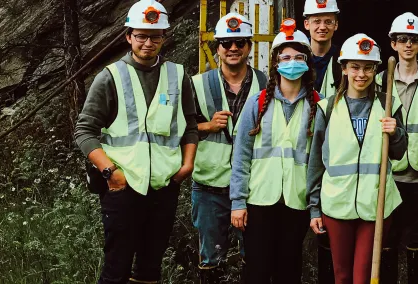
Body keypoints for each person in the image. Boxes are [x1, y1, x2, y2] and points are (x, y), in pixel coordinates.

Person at [73, 1, 198, 283]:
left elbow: (189, 124)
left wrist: (186, 165)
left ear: (165, 37)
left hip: (165, 187)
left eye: (155, 36)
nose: (148, 42)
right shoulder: (110, 77)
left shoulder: (178, 76)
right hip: (122, 187)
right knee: (116, 269)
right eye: (141, 35)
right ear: (128, 36)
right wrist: (110, 172)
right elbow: (84, 131)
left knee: (150, 268)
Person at [307, 33, 408, 284]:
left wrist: (395, 132)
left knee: (363, 276)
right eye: (354, 67)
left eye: (367, 68)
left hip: (375, 203)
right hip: (336, 203)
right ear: (343, 68)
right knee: (341, 276)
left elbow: (399, 152)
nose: (361, 74)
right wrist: (314, 207)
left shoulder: (388, 105)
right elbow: (316, 162)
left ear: (375, 70)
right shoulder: (327, 108)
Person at [227, 20, 319, 284]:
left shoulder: (317, 105)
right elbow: (241, 155)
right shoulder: (258, 102)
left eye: (299, 57)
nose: (292, 62)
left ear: (307, 62)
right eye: (286, 57)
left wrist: (315, 208)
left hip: (296, 200)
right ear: (276, 62)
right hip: (259, 201)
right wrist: (238, 202)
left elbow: (318, 162)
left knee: (289, 270)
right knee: (256, 269)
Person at [190, 12, 267, 283]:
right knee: (211, 258)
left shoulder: (267, 85)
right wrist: (207, 127)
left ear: (249, 47)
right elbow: (177, 130)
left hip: (252, 187)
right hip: (210, 185)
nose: (233, 48)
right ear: (217, 48)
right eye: (226, 43)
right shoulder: (197, 84)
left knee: (255, 255)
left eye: (240, 42)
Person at [374, 12, 418, 284]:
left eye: (414, 40)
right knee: (389, 235)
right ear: (393, 44)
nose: (408, 45)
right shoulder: (380, 81)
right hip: (390, 173)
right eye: (402, 39)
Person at [302, 2, 342, 281]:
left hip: (330, 154)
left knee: (326, 229)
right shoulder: (293, 59)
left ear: (336, 25)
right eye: (316, 21)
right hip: (294, 153)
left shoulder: (345, 62)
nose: (322, 27)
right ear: (306, 24)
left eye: (328, 21)